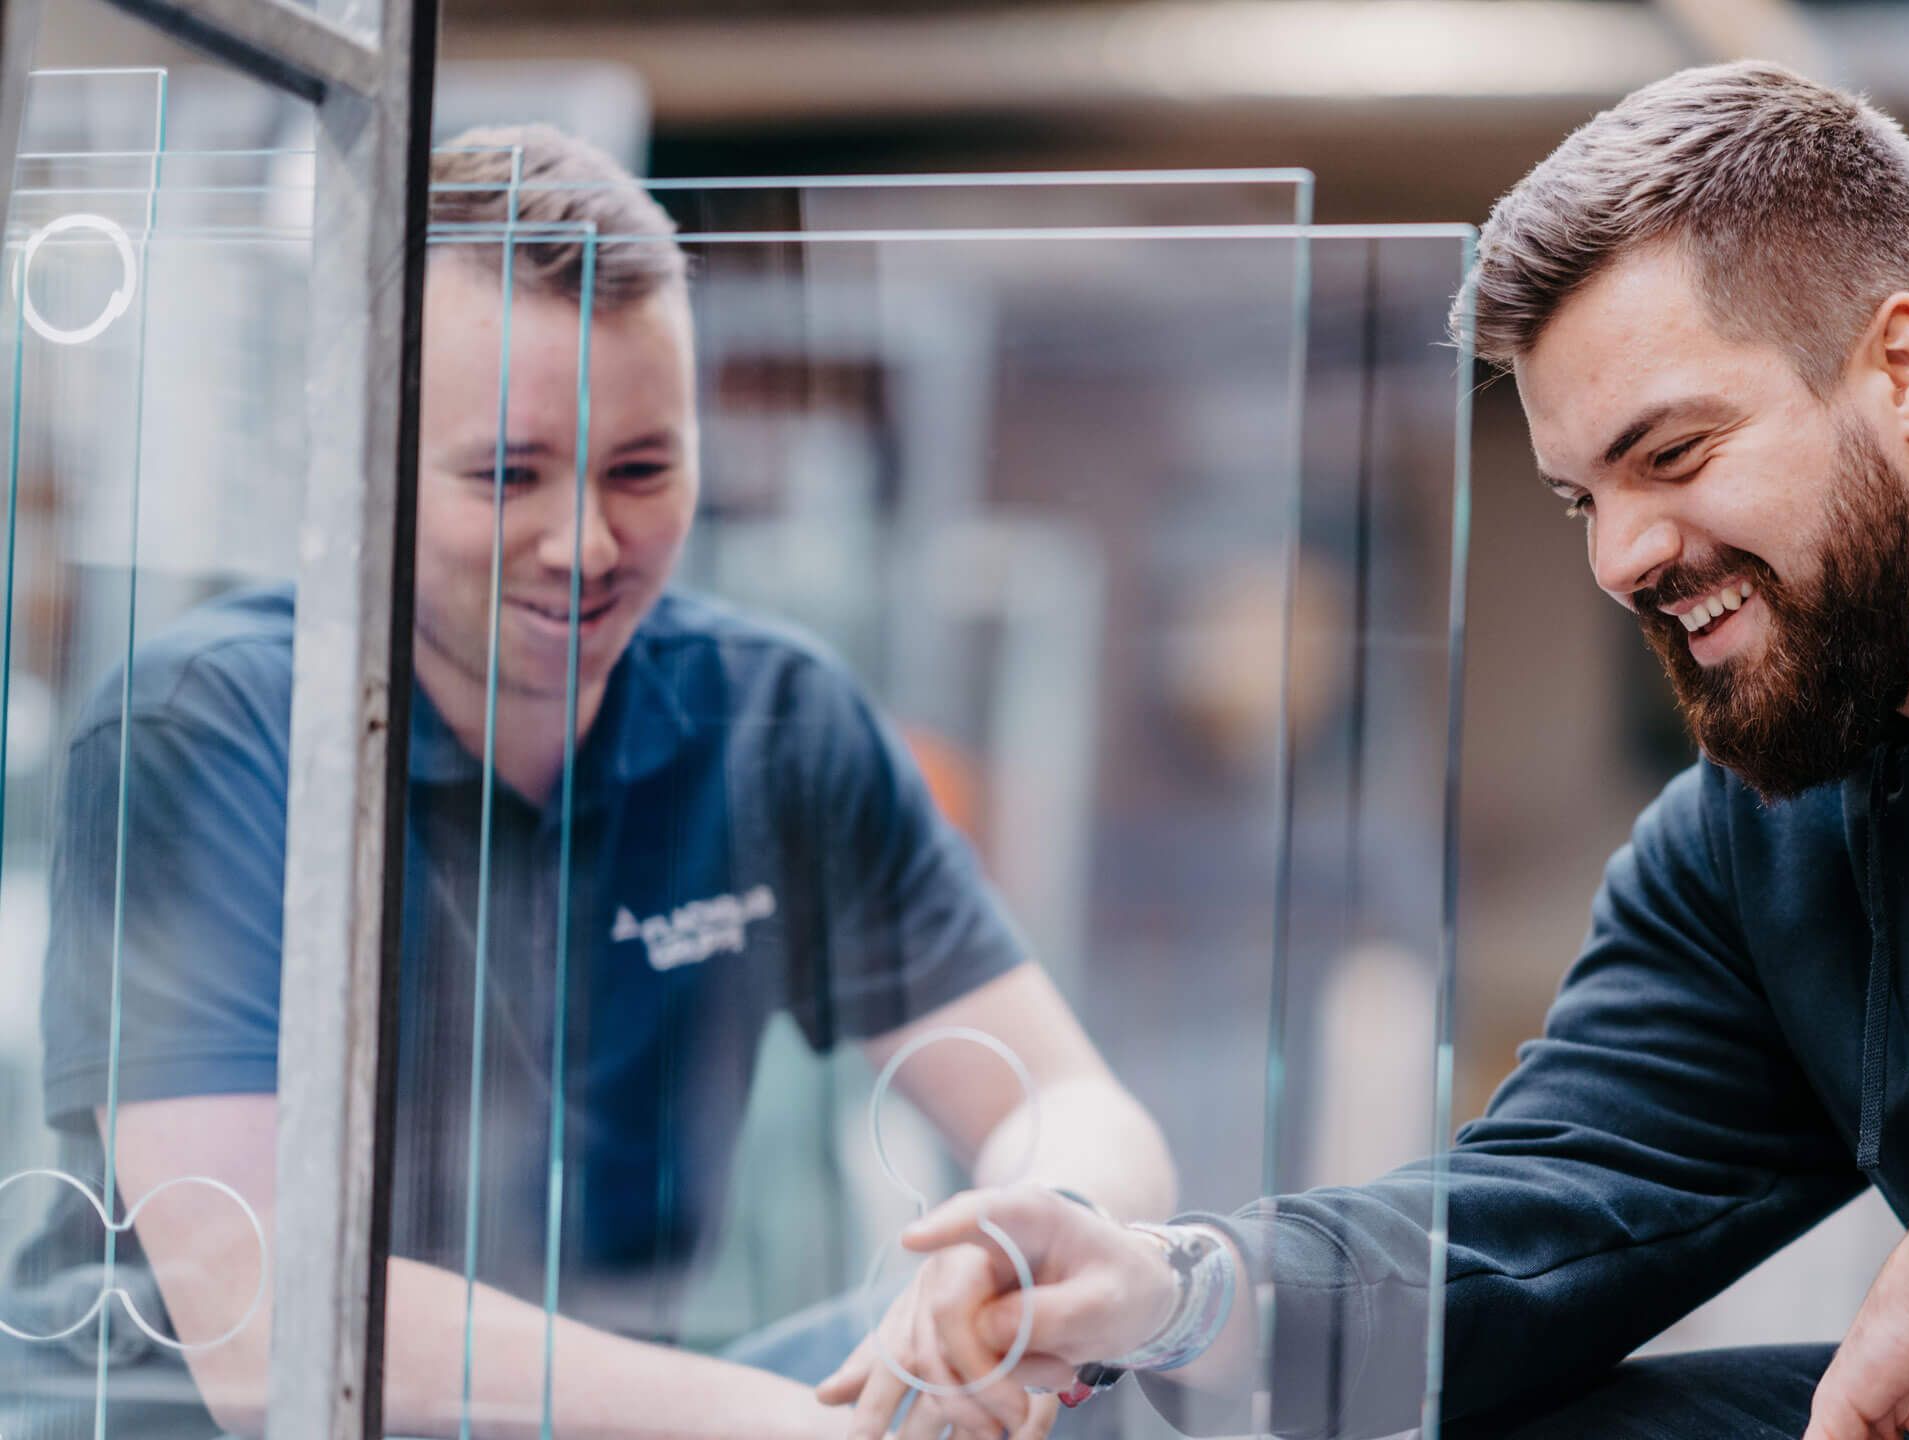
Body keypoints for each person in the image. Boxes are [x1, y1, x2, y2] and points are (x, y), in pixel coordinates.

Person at [840, 60, 1909, 1440]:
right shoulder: (1769, 820)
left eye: (1674, 452)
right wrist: (1177, 1288)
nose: (1621, 559)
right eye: (1586, 498)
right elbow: (1552, 1210)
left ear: (1901, 369)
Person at [3, 124, 1170, 1440]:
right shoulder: (203, 734)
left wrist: (1017, 1248)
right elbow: (262, 1318)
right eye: (505, 475)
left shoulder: (772, 719)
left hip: (621, 1411)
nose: (586, 542)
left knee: (1062, 1378)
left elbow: (1072, 1103)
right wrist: (796, 1426)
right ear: (361, 451)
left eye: (642, 470)